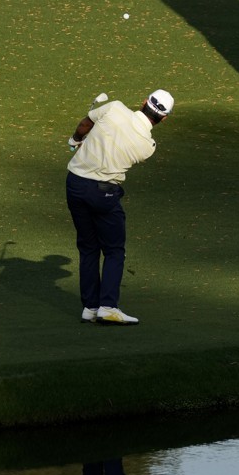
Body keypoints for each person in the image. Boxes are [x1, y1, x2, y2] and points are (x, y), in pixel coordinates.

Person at [65, 89, 174, 325]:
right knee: (114, 250)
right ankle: (108, 306)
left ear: (144, 101)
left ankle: (90, 307)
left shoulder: (114, 108)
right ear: (164, 119)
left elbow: (85, 124)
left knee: (88, 247)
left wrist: (76, 140)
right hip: (103, 194)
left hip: (74, 184)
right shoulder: (148, 146)